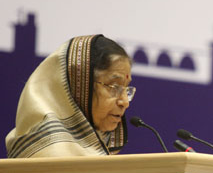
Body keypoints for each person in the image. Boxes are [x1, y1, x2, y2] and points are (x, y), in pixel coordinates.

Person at [6, 34, 135, 157]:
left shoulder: (96, 149)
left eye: (126, 89)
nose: (125, 102)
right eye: (114, 87)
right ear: (80, 85)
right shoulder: (50, 153)